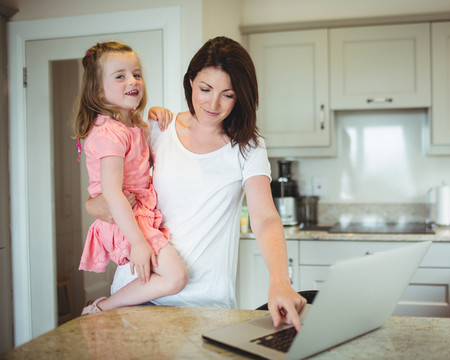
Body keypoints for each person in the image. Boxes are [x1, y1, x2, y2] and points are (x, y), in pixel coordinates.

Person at [86, 36, 306, 330]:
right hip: (137, 294)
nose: (213, 104)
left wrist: (280, 281)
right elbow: (107, 192)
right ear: (190, 82)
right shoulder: (157, 129)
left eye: (227, 94)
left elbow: (265, 218)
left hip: (206, 305)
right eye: (205, 89)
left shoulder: (249, 147)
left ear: (240, 96)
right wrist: (93, 206)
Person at [73, 41, 188, 315]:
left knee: (171, 277)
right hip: (124, 216)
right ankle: (102, 307)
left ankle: (106, 306)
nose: (133, 80)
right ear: (98, 90)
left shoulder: (131, 124)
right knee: (176, 277)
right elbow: (112, 193)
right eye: (120, 75)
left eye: (136, 73)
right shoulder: (108, 133)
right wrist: (138, 243)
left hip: (136, 212)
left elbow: (146, 148)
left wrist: (153, 115)